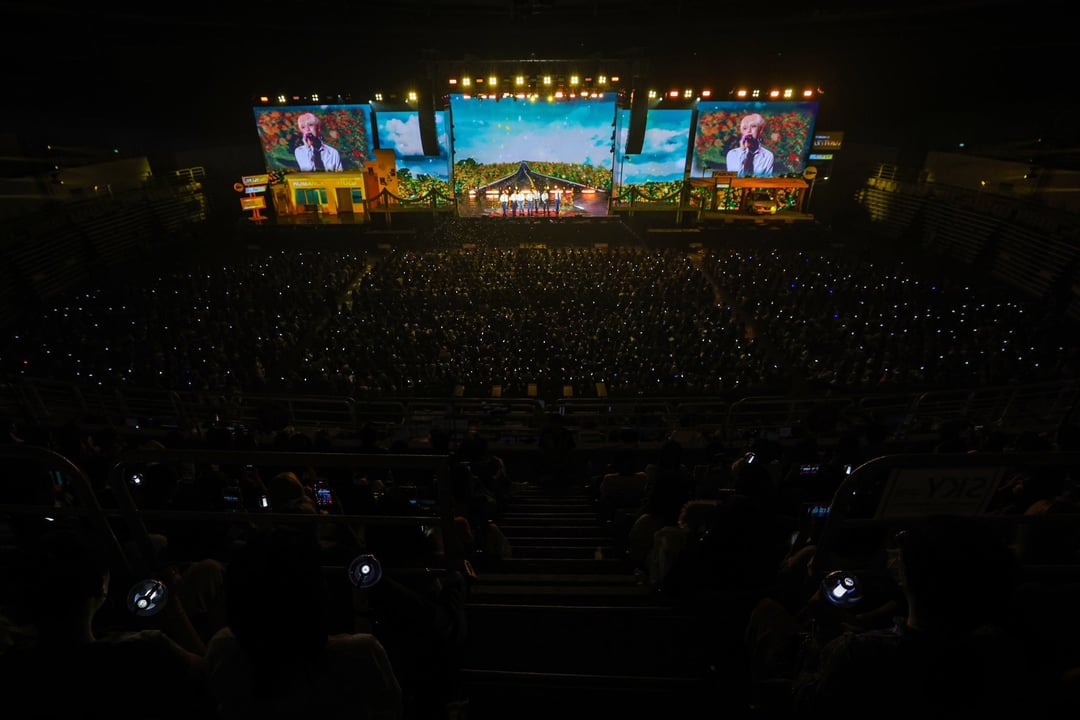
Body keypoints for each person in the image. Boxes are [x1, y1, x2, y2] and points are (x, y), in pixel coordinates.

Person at [203, 525, 402, 719]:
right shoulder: (362, 653)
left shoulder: (224, 650)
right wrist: (361, 608)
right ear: (319, 593)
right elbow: (390, 708)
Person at [726, 112, 775, 178]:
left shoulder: (767, 156)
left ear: (760, 130)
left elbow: (766, 180)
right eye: (745, 128)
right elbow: (736, 178)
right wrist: (742, 151)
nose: (748, 131)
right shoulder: (732, 154)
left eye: (753, 126)